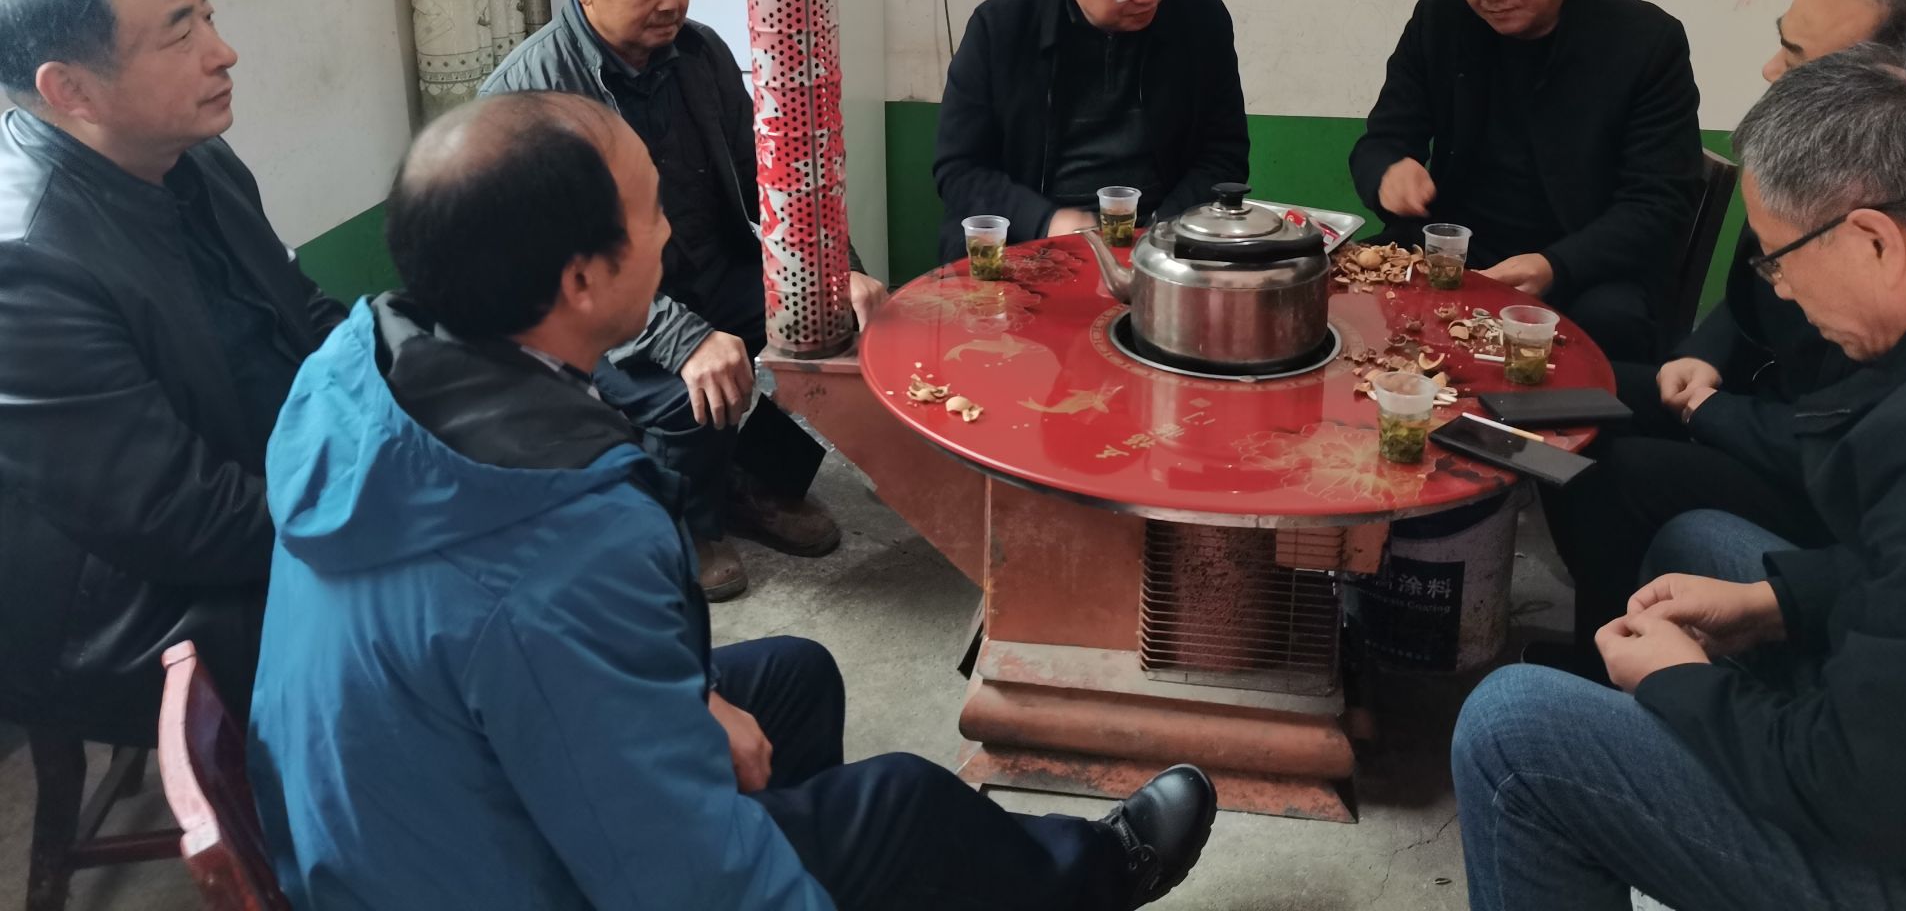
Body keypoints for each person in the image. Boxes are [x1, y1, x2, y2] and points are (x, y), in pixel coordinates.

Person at [248, 91, 1218, 911]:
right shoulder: (558, 541)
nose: (670, 231)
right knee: (902, 804)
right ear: (580, 280)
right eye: (650, 213)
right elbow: (676, 879)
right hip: (489, 877)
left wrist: (686, 707)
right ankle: (1097, 873)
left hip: (403, 814)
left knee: (795, 676)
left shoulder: (362, 374)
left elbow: (552, 678)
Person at [1452, 49, 1906, 911]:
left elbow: (1863, 793)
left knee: (1513, 729)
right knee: (1699, 542)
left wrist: (1681, 683)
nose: (1783, 291)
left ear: (1874, 240)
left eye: (1777, 260)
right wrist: (1776, 603)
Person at [1541, 0, 1906, 669]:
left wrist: (1710, 414)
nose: (1770, 70)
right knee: (1564, 391)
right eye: (1781, 40)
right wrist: (1704, 358)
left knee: (1616, 471)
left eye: (1800, 57)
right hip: (1773, 410)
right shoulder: (1831, 156)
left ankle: (1622, 659)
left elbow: (1858, 440)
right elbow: (1762, 283)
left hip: (1831, 476)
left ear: (1892, 82)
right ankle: (1611, 644)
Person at [483, 0, 885, 600]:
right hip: (591, 306)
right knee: (689, 394)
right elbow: (563, 266)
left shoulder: (700, 52)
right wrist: (684, 337)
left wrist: (834, 271)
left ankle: (757, 483)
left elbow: (773, 176)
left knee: (843, 330)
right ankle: (680, 522)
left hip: (710, 265)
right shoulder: (531, 95)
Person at [0, 0, 342, 743]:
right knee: (438, 618)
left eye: (208, 17)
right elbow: (175, 518)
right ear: (71, 90)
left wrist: (402, 394)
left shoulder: (195, 155)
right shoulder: (27, 263)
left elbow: (299, 310)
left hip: (257, 486)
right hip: (124, 608)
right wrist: (370, 511)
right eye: (181, 37)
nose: (224, 54)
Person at [1348, 0, 1702, 362]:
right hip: (1456, 252)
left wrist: (1555, 265)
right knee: (1338, 290)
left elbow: (1659, 204)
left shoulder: (1643, 42)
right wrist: (1389, 172)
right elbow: (1381, 140)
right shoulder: (1440, 25)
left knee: (1611, 321)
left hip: (1582, 266)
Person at [933, 0, 1249, 262]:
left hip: (1166, 244)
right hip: (1029, 245)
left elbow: (1223, 154)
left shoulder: (1200, 17)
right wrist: (1046, 221)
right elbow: (960, 169)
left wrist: (1165, 231)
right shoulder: (1000, 29)